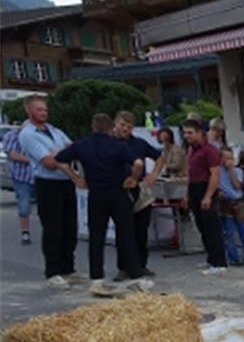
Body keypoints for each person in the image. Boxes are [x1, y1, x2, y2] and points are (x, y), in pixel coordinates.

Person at [52, 113, 148, 292]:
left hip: (96, 194)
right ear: (111, 128)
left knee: (96, 236)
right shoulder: (118, 146)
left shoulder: (82, 145)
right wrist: (133, 178)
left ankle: (96, 277)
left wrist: (76, 178)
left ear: (93, 127)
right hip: (118, 192)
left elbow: (59, 159)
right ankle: (136, 275)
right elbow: (138, 163)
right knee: (126, 234)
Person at [18, 95, 84, 287]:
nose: (44, 113)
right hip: (48, 184)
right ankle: (53, 270)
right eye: (39, 110)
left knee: (70, 226)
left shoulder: (54, 130)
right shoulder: (28, 134)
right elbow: (48, 162)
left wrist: (61, 155)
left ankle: (68, 268)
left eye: (45, 109)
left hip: (65, 182)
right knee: (53, 228)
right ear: (29, 111)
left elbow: (72, 149)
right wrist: (61, 156)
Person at [112, 111, 165, 278]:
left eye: (129, 126)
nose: (125, 129)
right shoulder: (109, 143)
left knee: (141, 230)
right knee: (123, 230)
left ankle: (141, 264)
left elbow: (159, 157)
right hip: (119, 188)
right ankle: (124, 267)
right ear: (115, 124)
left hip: (139, 188)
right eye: (122, 125)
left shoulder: (139, 143)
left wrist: (154, 174)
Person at [180, 120, 228, 274]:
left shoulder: (210, 151)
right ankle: (211, 259)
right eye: (185, 132)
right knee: (202, 226)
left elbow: (215, 175)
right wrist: (187, 195)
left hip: (206, 188)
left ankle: (220, 263)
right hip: (194, 187)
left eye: (190, 133)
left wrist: (208, 196)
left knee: (212, 227)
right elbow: (190, 174)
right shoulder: (191, 150)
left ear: (200, 133)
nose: (186, 136)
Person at [216, 146, 244, 266]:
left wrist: (231, 170)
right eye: (225, 158)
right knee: (228, 233)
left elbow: (237, 185)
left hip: (238, 202)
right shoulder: (217, 171)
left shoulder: (238, 171)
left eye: (230, 158)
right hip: (225, 203)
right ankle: (233, 257)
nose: (228, 160)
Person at [3, 123, 35, 246]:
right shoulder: (12, 136)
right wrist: (35, 159)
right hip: (22, 177)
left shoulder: (37, 137)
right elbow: (13, 155)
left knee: (46, 206)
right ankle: (25, 232)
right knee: (24, 205)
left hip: (39, 176)